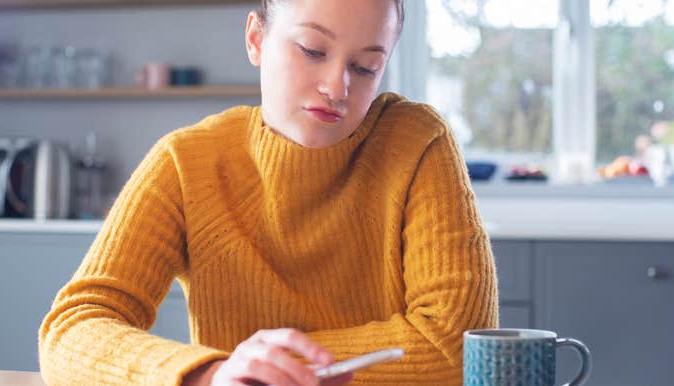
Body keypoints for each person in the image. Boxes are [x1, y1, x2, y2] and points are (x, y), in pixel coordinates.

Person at [38, 0, 498, 385]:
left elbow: (460, 344)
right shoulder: (185, 163)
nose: (338, 87)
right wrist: (209, 374)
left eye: (365, 66)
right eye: (312, 50)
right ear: (256, 39)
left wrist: (271, 366)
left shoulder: (418, 143)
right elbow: (73, 328)